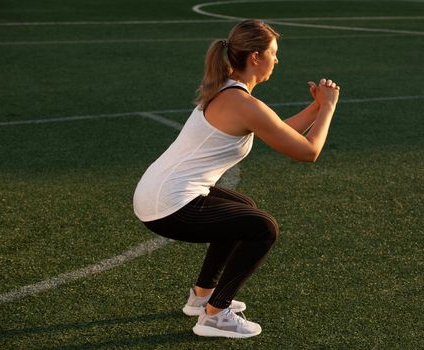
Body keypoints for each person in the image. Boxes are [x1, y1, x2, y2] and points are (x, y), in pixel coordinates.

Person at [133, 19, 340, 339]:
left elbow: (278, 131)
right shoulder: (242, 102)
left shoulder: (229, 91)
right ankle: (215, 315)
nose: (277, 60)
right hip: (169, 204)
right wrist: (327, 108)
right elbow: (308, 151)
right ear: (256, 57)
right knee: (262, 227)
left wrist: (314, 108)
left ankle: (202, 296)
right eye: (273, 53)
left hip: (157, 193)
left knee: (243, 208)